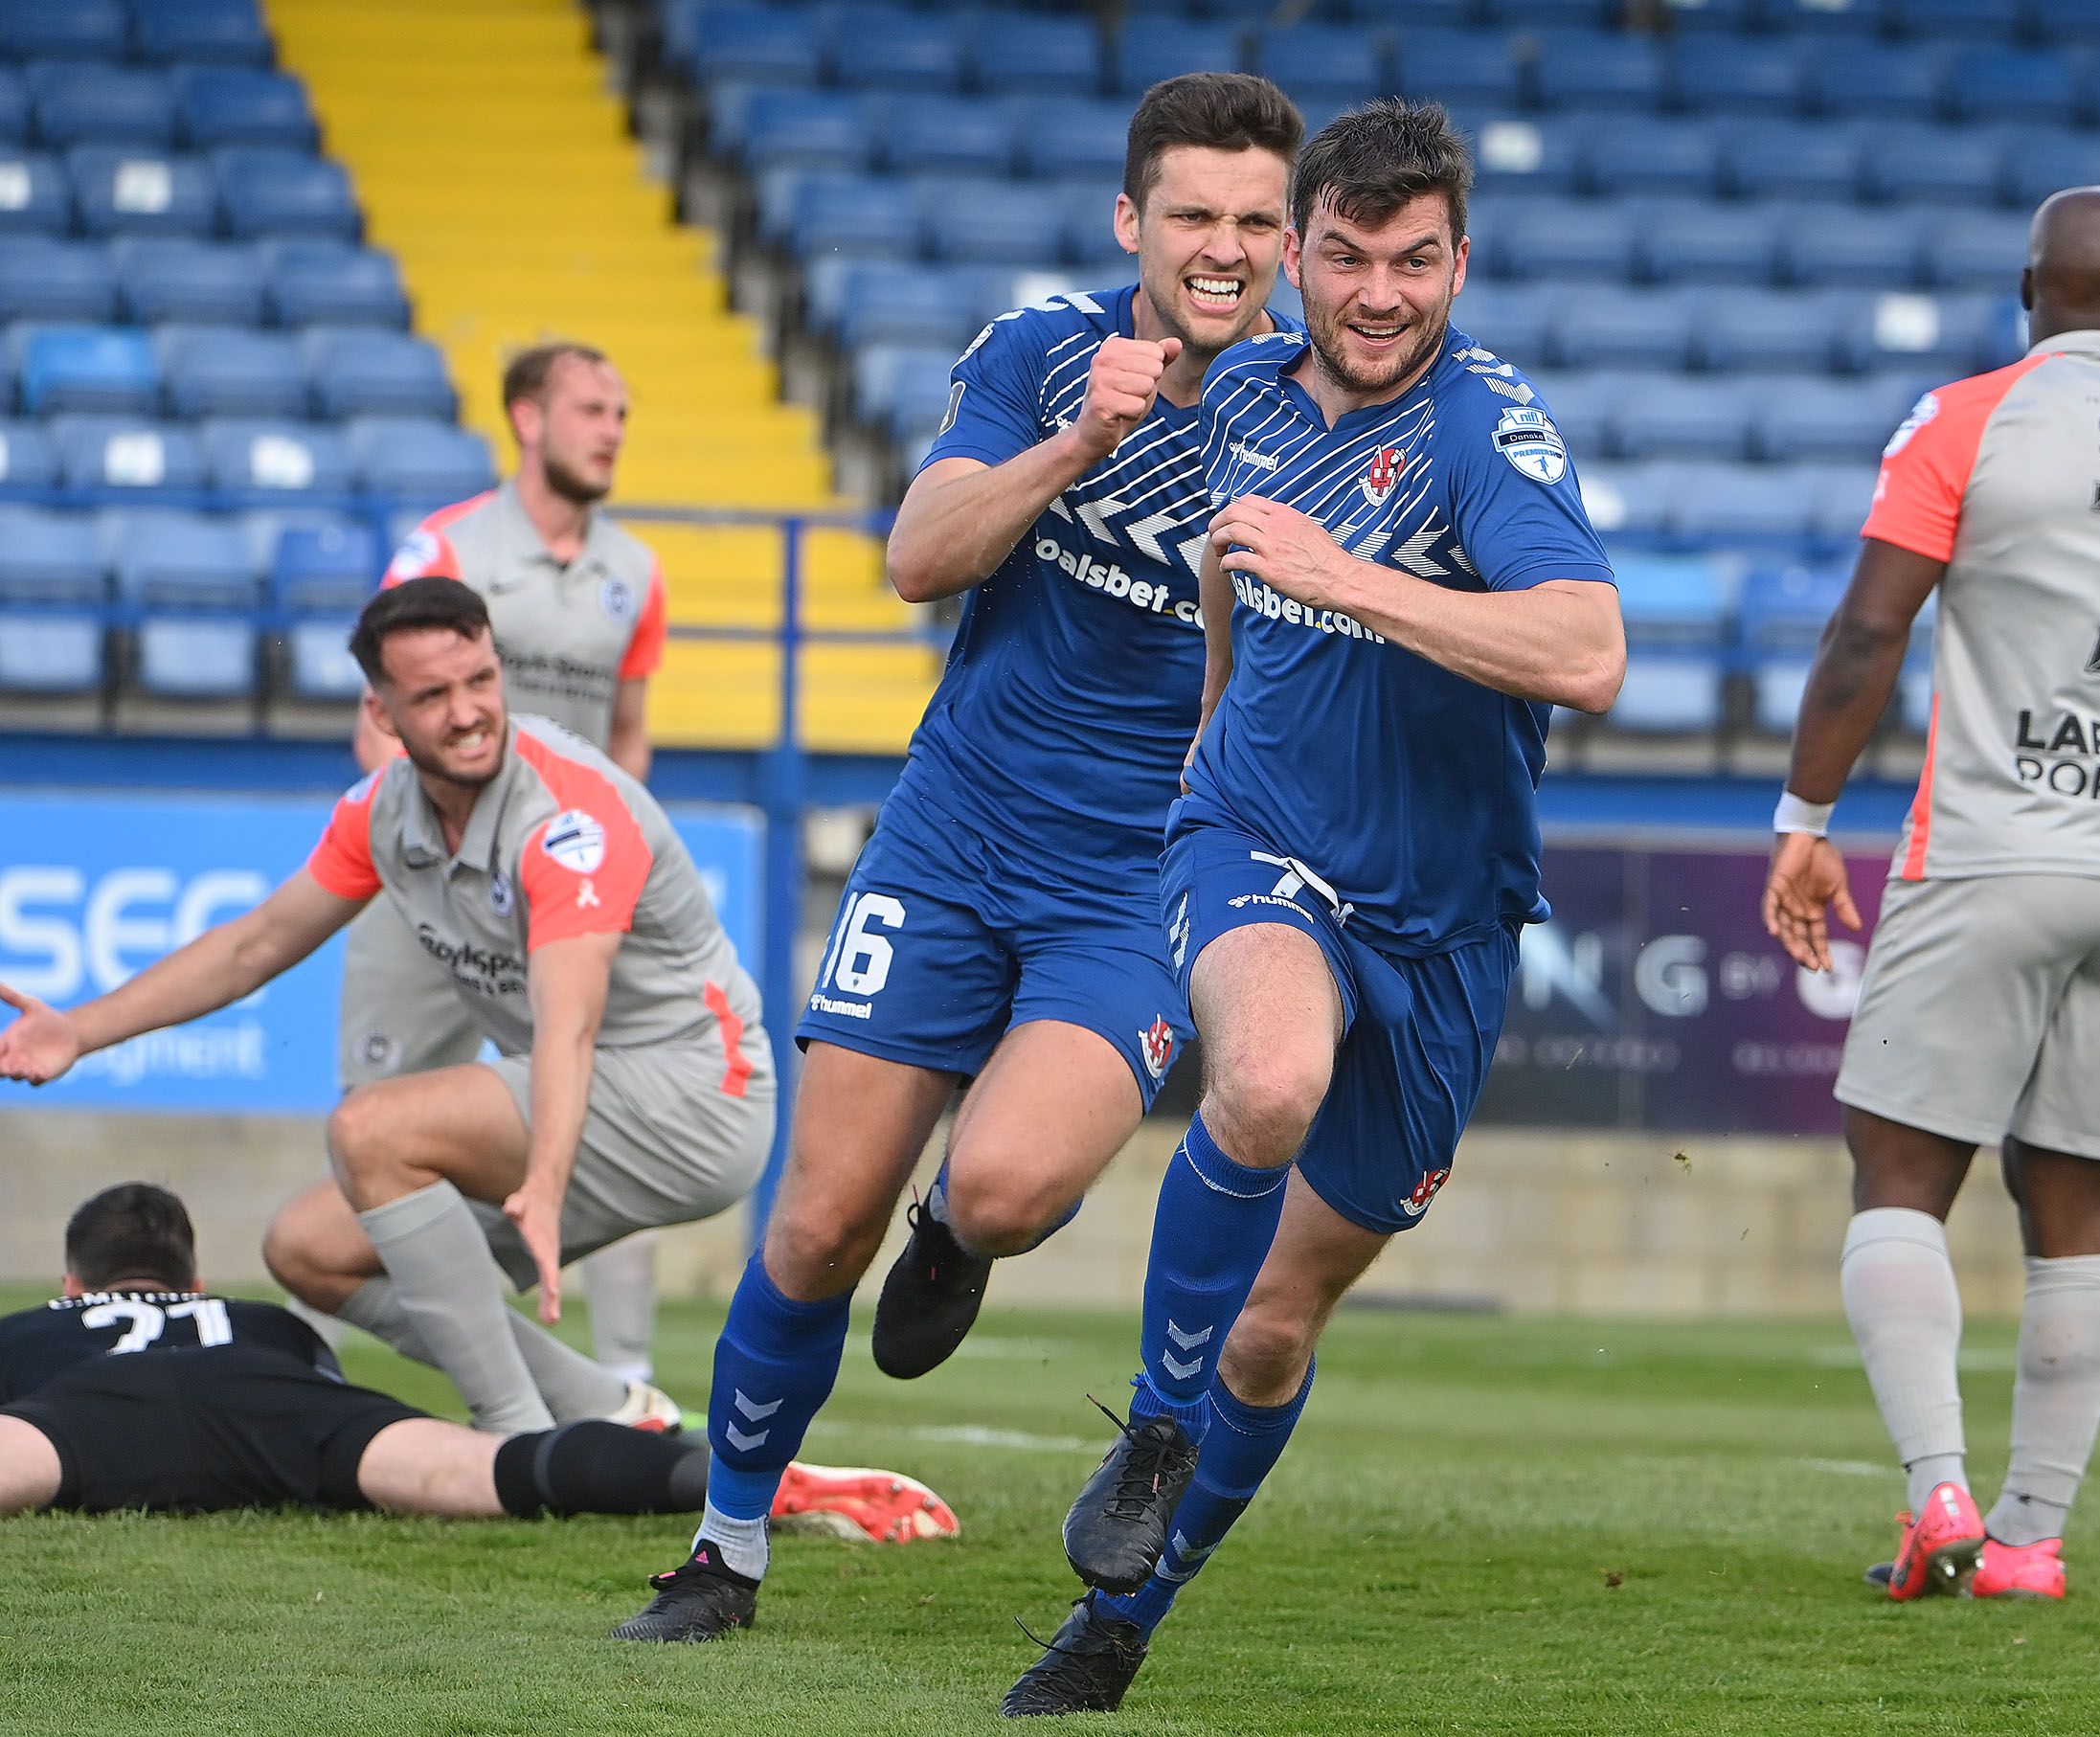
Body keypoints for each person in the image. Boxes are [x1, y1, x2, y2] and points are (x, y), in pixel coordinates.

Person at [606, 74, 1306, 1646]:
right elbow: (918, 556)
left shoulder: (1313, 413)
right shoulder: (1041, 351)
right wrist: (1079, 442)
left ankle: (959, 1233)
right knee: (808, 1226)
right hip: (953, 833)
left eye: (1259, 218)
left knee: (997, 1184)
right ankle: (724, 1552)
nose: (1227, 245)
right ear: (1135, 220)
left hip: (1142, 876)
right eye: (1195, 212)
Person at [1003, 99, 1625, 1716]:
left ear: (1458, 263)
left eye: (1414, 262)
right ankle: (1150, 1421)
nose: (1377, 292)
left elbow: (1588, 651)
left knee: (1274, 1327)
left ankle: (1125, 1618)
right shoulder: (1251, 390)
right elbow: (1228, 556)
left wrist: (1348, 578)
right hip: (1258, 835)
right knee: (1264, 1078)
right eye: (1345, 254)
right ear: (1299, 253)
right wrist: (1218, 704)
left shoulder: (1490, 436)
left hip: (1447, 920)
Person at [1759, 187, 2100, 1607]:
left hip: (1989, 852)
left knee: (1898, 1171)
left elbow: (1871, 626)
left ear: (2030, 288)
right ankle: (2029, 1541)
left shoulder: (1966, 420)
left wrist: (1805, 817)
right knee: (2073, 1204)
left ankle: (1936, 1488)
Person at [0, 579, 774, 1448]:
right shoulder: (383, 812)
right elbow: (253, 946)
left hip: (700, 1093)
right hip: (594, 1097)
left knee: (372, 1130)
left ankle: (511, 1440)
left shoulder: (568, 818)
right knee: (308, 1247)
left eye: (481, 680)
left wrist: (545, 1187)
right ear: (382, 711)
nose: (470, 712)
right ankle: (607, 1411)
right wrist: (79, 1031)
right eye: (434, 695)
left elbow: (570, 1024)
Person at [1, 1183, 951, 1545]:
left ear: (73, 1283)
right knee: (504, 1468)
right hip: (274, 1407)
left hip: (78, 1417)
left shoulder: (34, 1323)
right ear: (194, 1278)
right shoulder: (246, 1315)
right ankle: (751, 1478)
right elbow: (313, 1367)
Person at [355, 340, 671, 1395]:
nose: (613, 429)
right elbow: (380, 723)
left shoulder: (636, 573)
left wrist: (616, 857)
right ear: (526, 419)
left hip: (563, 890)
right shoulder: (444, 548)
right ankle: (472, 1368)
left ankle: (627, 1377)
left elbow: (627, 736)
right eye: (592, 407)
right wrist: (418, 845)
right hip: (434, 886)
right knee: (377, 1117)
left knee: (604, 1098)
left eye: (622, 411)